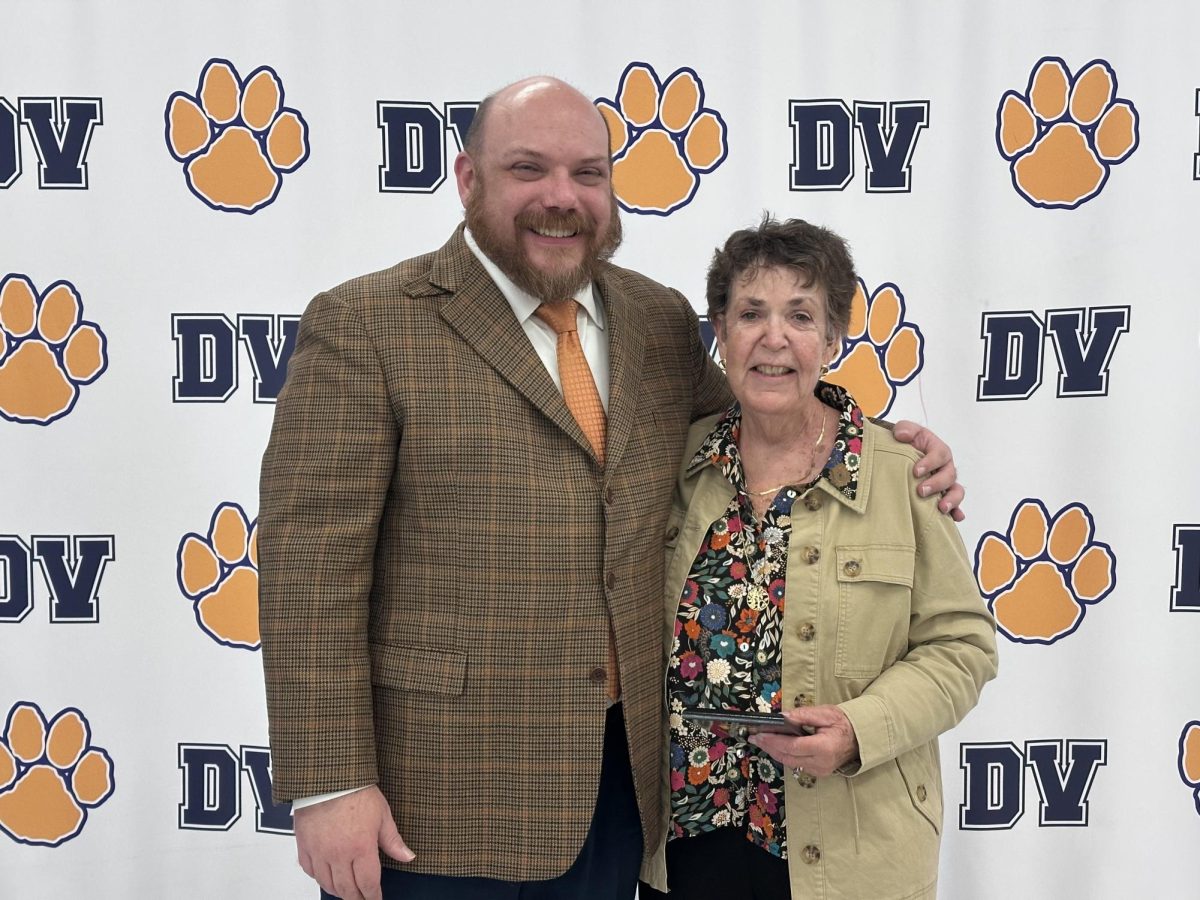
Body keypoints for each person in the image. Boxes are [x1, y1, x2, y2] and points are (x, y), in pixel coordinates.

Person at [257, 76, 964, 900]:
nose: (562, 197)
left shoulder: (656, 320)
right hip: (430, 805)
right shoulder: (369, 324)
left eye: (588, 174)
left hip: (619, 802)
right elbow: (308, 569)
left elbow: (768, 415)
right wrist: (331, 782)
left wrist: (888, 450)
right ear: (467, 178)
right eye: (529, 168)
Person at [639, 216, 998, 900]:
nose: (773, 337)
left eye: (800, 315)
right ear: (720, 332)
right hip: (689, 844)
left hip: (849, 852)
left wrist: (861, 729)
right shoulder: (674, 465)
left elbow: (963, 646)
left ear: (832, 340)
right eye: (751, 312)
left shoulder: (903, 474)